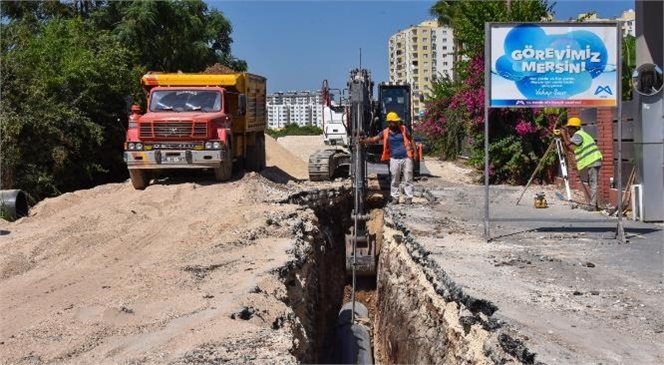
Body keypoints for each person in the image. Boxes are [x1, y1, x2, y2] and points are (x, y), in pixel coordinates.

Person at [360, 111, 415, 205]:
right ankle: (395, 198)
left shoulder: (403, 129)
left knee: (408, 179)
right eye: (395, 121)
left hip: (406, 157)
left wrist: (415, 152)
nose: (397, 123)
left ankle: (409, 198)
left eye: (397, 121)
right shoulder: (385, 132)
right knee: (394, 179)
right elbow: (374, 139)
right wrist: (363, 141)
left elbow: (411, 139)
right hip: (394, 159)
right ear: (390, 122)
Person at [561, 117, 603, 211]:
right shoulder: (582, 134)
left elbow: (569, 144)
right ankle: (594, 203)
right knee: (591, 182)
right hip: (594, 160)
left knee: (593, 183)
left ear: (575, 128)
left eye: (569, 129)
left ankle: (593, 205)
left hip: (593, 160)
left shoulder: (578, 135)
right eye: (567, 129)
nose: (568, 131)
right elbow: (573, 149)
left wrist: (563, 136)